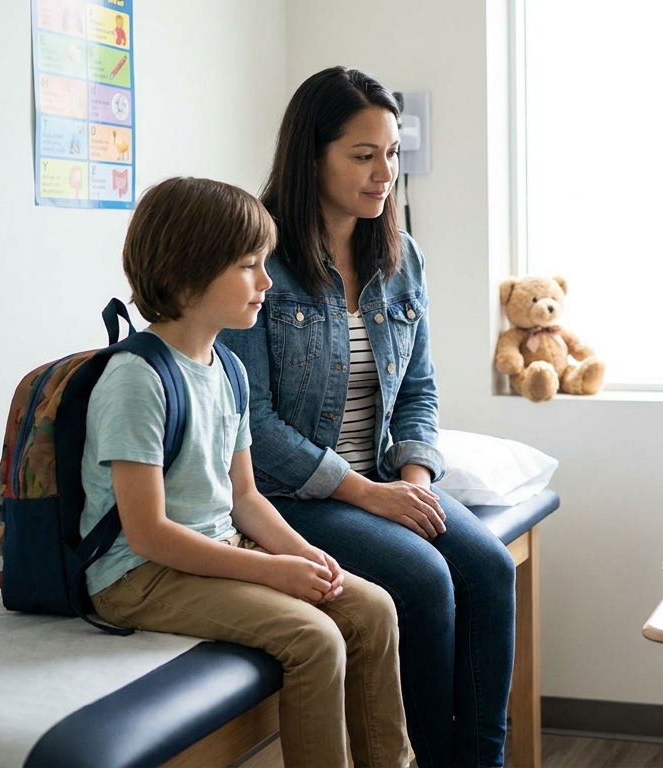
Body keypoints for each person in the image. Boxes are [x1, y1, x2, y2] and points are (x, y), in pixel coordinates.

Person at [219, 67, 516, 768]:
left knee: (490, 567)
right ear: (310, 155)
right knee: (423, 579)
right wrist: (365, 494)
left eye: (391, 153)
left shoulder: (400, 256)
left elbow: (419, 388)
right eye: (363, 155)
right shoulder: (259, 262)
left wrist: (411, 477)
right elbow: (252, 425)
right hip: (295, 496)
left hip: (384, 476)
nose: (384, 173)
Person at [81, 176, 411, 768]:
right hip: (138, 577)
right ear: (186, 274)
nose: (266, 282)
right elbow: (147, 534)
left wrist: (304, 556)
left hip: (211, 549)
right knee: (314, 638)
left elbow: (246, 497)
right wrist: (270, 570)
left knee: (373, 609)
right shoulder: (138, 379)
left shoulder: (228, 368)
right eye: (248, 266)